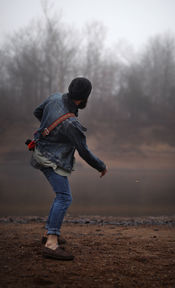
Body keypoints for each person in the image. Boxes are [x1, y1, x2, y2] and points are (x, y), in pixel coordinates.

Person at [31, 77, 107, 260]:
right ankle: (51, 242)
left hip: (39, 149)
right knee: (64, 197)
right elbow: (84, 151)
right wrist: (101, 166)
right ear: (84, 98)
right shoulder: (72, 124)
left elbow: (37, 112)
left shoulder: (54, 97)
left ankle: (49, 233)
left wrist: (49, 129)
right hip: (51, 160)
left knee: (61, 195)